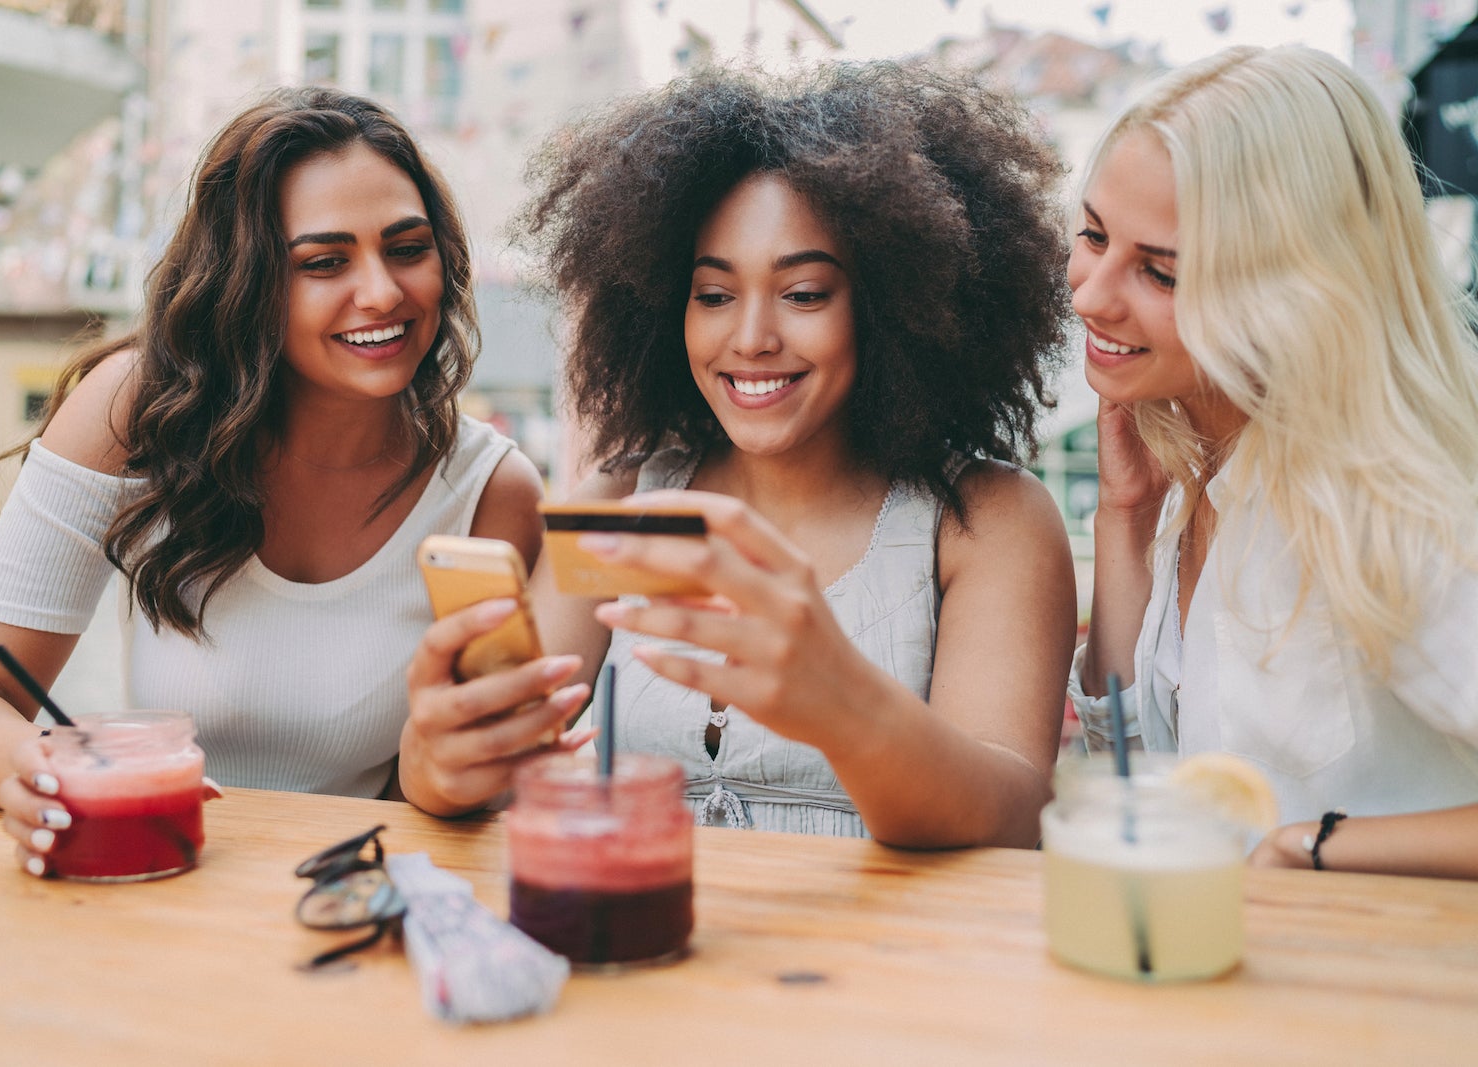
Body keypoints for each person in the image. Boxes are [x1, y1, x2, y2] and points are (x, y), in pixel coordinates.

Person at [401, 62, 1077, 849]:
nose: (750, 338)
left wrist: (842, 700)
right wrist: (437, 762)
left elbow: (1015, 816)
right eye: (714, 295)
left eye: (804, 294)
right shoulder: (626, 498)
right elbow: (481, 758)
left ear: (890, 307)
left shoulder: (986, 521)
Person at [0, 87, 543, 874]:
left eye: (407, 248)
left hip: (350, 901)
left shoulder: (492, 491)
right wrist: (41, 767)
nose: (381, 291)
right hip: (147, 882)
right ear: (248, 281)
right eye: (324, 262)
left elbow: (469, 788)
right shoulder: (133, 411)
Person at [1068, 45, 1478, 879]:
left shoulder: (1380, 498)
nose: (1090, 294)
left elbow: (1274, 842)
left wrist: (1315, 845)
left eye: (1160, 272)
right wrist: (1124, 517)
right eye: (1093, 235)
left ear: (1289, 287)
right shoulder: (1193, 472)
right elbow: (1138, 766)